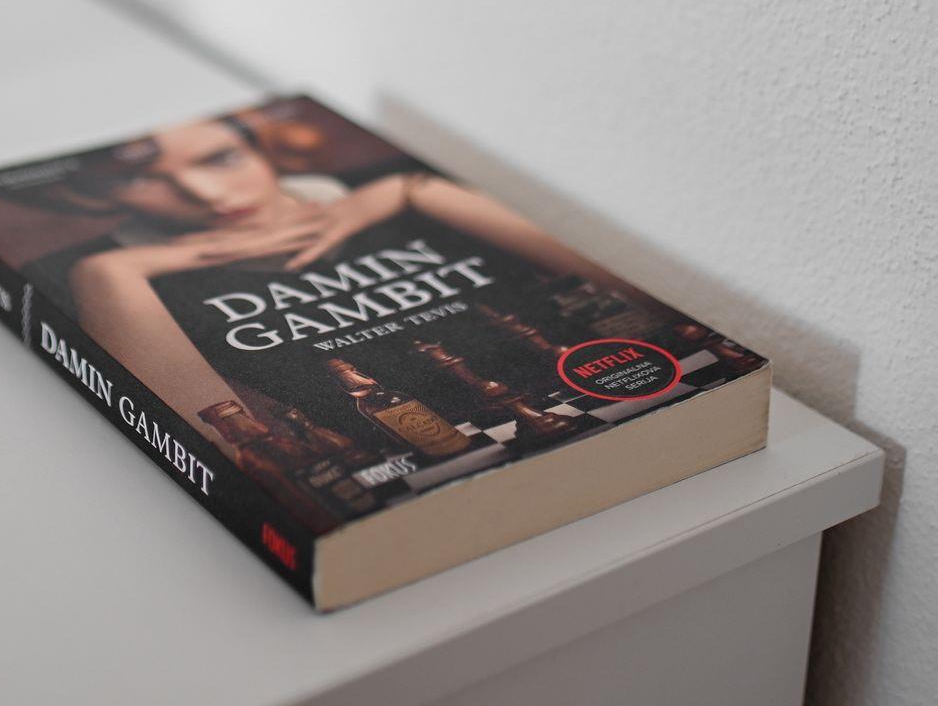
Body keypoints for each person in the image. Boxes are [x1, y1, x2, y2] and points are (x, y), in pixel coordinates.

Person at [32, 113, 607, 454]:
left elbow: (614, 282)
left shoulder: (391, 178)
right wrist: (111, 272)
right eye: (137, 181)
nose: (206, 195)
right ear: (92, 195)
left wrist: (409, 191)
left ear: (263, 144)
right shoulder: (103, 269)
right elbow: (229, 445)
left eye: (221, 158)